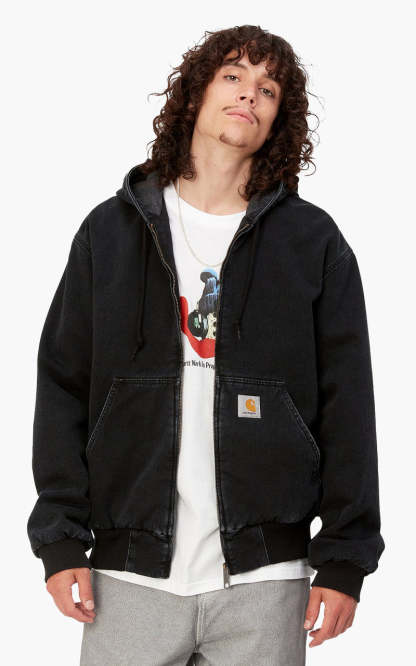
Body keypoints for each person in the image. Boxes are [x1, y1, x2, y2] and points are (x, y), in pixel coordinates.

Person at [27, 25, 385, 666]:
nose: (249, 93)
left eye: (268, 88)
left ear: (278, 118)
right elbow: (61, 385)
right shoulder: (110, 232)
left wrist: (345, 559)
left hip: (266, 578)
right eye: (233, 76)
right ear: (195, 95)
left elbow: (349, 406)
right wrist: (59, 539)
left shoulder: (313, 243)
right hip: (129, 573)